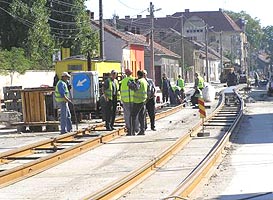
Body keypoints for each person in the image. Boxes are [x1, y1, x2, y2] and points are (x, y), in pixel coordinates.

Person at [120, 69, 139, 134]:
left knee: (127, 115)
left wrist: (121, 100)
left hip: (125, 101)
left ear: (125, 74)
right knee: (135, 115)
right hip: (134, 100)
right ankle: (136, 128)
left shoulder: (123, 81)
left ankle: (129, 128)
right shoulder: (135, 80)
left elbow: (121, 91)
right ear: (131, 73)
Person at [130, 70, 148, 135]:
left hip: (137, 101)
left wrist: (130, 84)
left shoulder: (139, 81)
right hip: (143, 100)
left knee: (133, 116)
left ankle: (132, 131)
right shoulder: (145, 81)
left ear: (138, 75)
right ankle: (142, 130)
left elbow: (136, 88)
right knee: (141, 116)